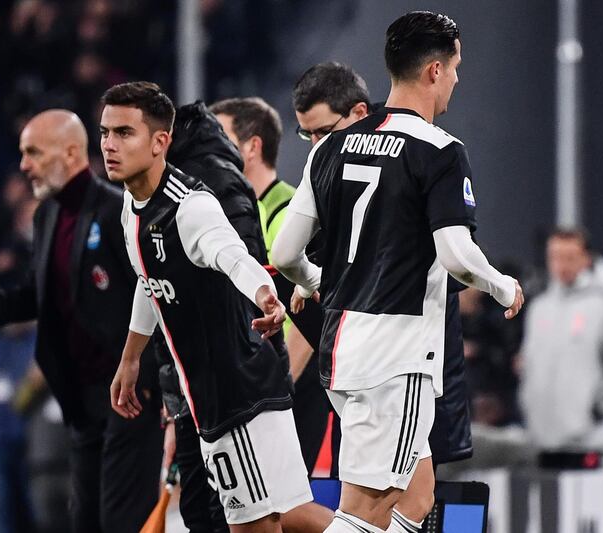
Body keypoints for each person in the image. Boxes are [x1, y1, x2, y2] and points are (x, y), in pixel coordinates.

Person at [272, 11, 523, 533]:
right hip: (396, 356)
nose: (456, 79)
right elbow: (455, 253)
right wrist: (503, 285)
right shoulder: (440, 151)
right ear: (434, 70)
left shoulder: (330, 148)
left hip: (342, 349)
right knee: (367, 510)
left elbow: (287, 251)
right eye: (454, 68)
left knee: (417, 496)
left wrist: (320, 286)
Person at [102, 81, 313, 533]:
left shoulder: (190, 205)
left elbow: (234, 256)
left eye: (124, 133)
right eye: (104, 133)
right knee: (286, 518)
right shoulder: (133, 205)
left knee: (252, 526)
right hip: (225, 390)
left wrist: (265, 296)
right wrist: (131, 358)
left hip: (234, 394)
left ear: (161, 142)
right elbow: (149, 280)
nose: (108, 145)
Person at [0, 109, 162, 533]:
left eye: (34, 153)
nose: (24, 165)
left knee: (121, 521)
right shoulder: (46, 217)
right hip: (79, 400)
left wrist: (157, 381)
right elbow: (37, 296)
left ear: (71, 152)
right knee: (85, 521)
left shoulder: (118, 210)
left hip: (128, 395)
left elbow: (155, 293)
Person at [291, 61, 477, 472]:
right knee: (387, 503)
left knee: (412, 498)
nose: (315, 144)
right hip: (368, 369)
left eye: (323, 131)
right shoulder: (333, 170)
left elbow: (453, 266)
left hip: (411, 366)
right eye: (307, 134)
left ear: (359, 113)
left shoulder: (413, 156)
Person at [209, 96, 330, 471]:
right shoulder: (233, 212)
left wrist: (277, 399)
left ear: (252, 146)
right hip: (253, 391)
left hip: (290, 395)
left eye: (220, 136)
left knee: (290, 511)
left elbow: (308, 319)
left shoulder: (290, 213)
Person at [518, 228, 603, 468]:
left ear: (586, 258)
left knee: (589, 506)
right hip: (542, 443)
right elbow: (528, 365)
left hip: (589, 444)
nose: (561, 265)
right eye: (555, 257)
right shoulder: (539, 307)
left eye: (569, 257)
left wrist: (597, 410)